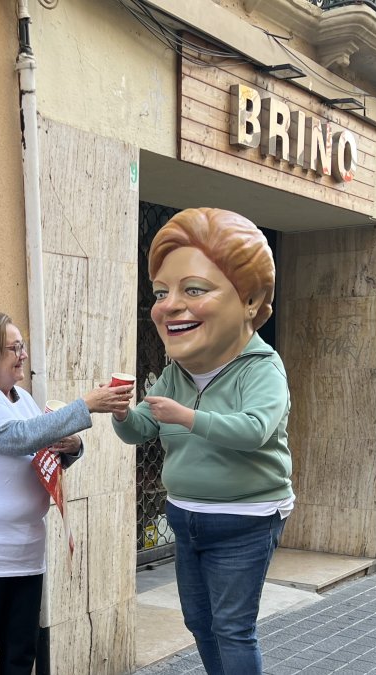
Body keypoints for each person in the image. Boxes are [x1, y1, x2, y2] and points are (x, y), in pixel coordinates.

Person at [112, 207, 292, 675]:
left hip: (245, 520)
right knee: (199, 622)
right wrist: (121, 413)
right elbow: (142, 428)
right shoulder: (176, 372)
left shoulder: (263, 369)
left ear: (250, 301)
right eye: (161, 292)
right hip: (185, 515)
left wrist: (187, 417)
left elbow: (254, 430)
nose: (170, 306)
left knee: (232, 627)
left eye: (193, 289)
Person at [0, 312, 134, 675]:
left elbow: (37, 449)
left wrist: (71, 447)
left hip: (23, 554)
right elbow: (17, 439)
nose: (23, 354)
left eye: (22, 346)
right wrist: (85, 405)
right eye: (14, 347)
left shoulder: (21, 397)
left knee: (21, 656)